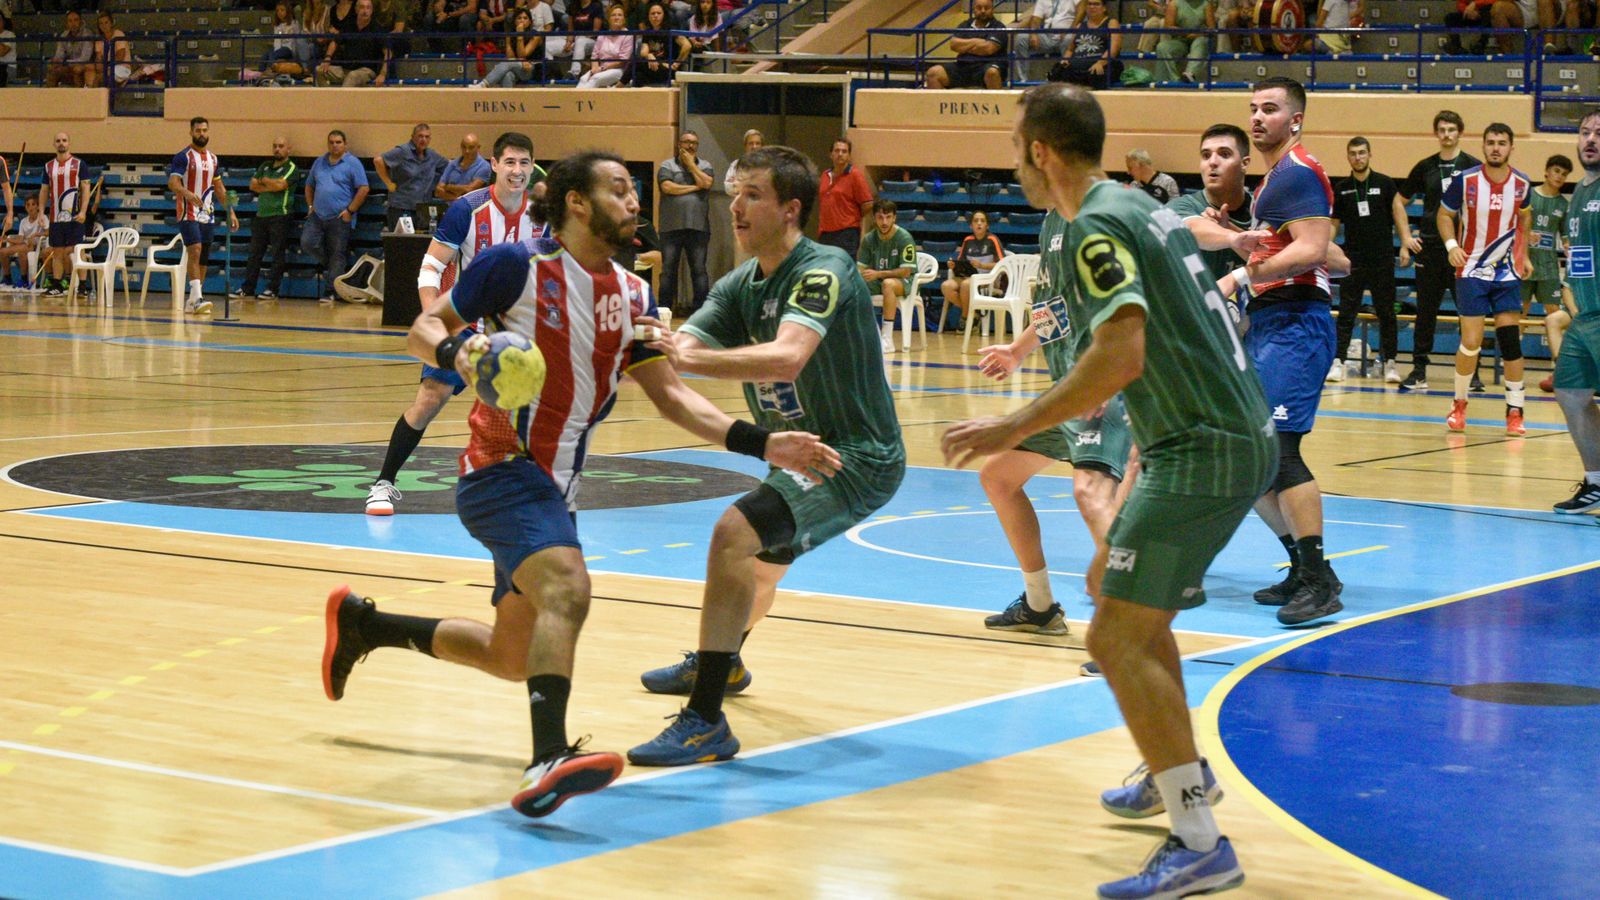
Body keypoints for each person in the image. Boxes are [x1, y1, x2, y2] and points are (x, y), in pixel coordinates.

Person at [322, 148, 834, 817]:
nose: (634, 201)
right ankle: (548, 759)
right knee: (569, 586)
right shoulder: (515, 266)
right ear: (576, 202)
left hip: (557, 490)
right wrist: (458, 353)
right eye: (619, 189)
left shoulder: (635, 296)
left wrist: (761, 442)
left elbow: (674, 399)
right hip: (500, 469)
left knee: (512, 656)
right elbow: (424, 327)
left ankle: (365, 626)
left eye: (634, 190)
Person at [942, 83, 1272, 900]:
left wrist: (1011, 425)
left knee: (1115, 637)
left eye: (1016, 146)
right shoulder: (1134, 205)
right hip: (1205, 435)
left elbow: (1121, 354)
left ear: (1040, 151)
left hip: (1203, 445)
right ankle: (1181, 777)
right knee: (1118, 600)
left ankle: (1199, 841)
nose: (1014, 162)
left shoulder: (1094, 222)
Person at [628, 146, 904, 762]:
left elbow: (788, 356)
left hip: (851, 457)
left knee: (733, 535)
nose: (736, 207)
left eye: (753, 195)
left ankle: (705, 720)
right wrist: (644, 342)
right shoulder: (738, 285)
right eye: (735, 194)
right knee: (758, 570)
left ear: (790, 209)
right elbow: (683, 347)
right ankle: (722, 663)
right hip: (793, 457)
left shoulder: (824, 267)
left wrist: (683, 355)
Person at [1213, 77, 1343, 626]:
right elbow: (1333, 256)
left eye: (1270, 108)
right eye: (1253, 108)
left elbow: (1313, 249)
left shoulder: (1296, 171)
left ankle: (1319, 582)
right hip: (1273, 323)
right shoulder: (1276, 182)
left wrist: (1241, 274)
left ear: (1295, 120)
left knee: (1281, 453)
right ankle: (1305, 567)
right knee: (1253, 458)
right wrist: (1249, 238)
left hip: (1295, 323)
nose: (1257, 117)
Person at [972, 205, 1134, 637]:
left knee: (1091, 494)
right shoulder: (1052, 221)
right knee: (998, 478)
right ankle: (1039, 605)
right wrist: (1017, 350)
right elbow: (1058, 307)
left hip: (1102, 388)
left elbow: (1129, 300)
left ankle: (1131, 631)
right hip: (1068, 394)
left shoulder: (1094, 213)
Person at [365, 131, 540, 516]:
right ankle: (383, 483)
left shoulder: (542, 214)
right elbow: (430, 268)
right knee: (429, 400)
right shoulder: (467, 209)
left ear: (532, 167)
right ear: (494, 165)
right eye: (510, 162)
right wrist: (434, 321)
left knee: (524, 411)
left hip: (515, 333)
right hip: (464, 326)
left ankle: (517, 490)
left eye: (524, 163)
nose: (517, 170)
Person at [1438, 123, 1534, 435]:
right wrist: (1452, 246)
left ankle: (1515, 411)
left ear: (1511, 147)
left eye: (1501, 143)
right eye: (1491, 142)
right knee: (1471, 342)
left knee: (1510, 342)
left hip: (1506, 272)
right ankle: (1459, 403)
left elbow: (1525, 216)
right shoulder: (1465, 180)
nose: (1496, 148)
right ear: (1483, 146)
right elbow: (1444, 215)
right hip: (1471, 270)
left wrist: (1524, 255)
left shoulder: (1522, 183)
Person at [1398, 110, 1482, 391]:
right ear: (1436, 133)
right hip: (1431, 249)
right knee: (1426, 312)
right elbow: (1399, 201)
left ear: (1460, 132)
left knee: (1468, 312)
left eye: (1451, 129)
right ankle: (1419, 371)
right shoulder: (1425, 167)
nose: (1447, 134)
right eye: (1442, 130)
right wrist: (1406, 237)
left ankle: (1473, 374)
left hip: (1463, 252)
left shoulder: (1473, 167)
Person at [1329, 135, 1410, 383]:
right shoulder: (1341, 188)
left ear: (1369, 154)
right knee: (1346, 313)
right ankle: (1338, 362)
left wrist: (1405, 243)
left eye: (1362, 152)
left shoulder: (1385, 183)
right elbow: (1333, 223)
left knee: (1387, 313)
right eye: (1353, 153)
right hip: (1352, 259)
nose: (1358, 157)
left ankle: (1390, 363)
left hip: (1382, 258)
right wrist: (1326, 249)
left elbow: (1398, 212)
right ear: (1348, 157)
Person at [1551, 109, 1600, 514]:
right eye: (1585, 132)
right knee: (1569, 392)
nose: (1591, 139)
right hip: (1585, 315)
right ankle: (1597, 482)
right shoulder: (1579, 193)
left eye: (1599, 133)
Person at [166, 117, 239, 316]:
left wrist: (230, 212)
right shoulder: (183, 157)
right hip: (188, 211)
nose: (201, 134)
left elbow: (220, 188)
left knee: (204, 257)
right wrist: (187, 193)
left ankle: (193, 299)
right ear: (191, 132)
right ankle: (197, 298)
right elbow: (173, 183)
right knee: (195, 250)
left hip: (207, 213)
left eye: (205, 130)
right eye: (198, 130)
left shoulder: (213, 159)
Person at [1168, 124, 1256, 284]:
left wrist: (1229, 229)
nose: (1213, 162)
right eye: (1206, 155)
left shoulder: (1262, 208)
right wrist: (1233, 237)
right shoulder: (1180, 207)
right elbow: (1192, 228)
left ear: (1244, 163)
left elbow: (1275, 264)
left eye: (1224, 154)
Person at [302, 130, 371, 302]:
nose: (335, 145)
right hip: (317, 215)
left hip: (340, 217)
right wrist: (310, 206)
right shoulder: (319, 162)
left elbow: (363, 188)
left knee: (337, 254)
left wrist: (350, 211)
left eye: (338, 142)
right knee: (307, 243)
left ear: (345, 144)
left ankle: (330, 291)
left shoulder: (353, 163)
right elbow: (309, 185)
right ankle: (334, 267)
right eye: (331, 142)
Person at [231, 136, 301, 301]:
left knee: (277, 254)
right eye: (275, 146)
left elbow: (280, 185)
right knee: (254, 254)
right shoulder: (265, 165)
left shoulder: (291, 168)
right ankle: (248, 288)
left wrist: (264, 182)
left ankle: (272, 289)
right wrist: (271, 184)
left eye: (281, 146)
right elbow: (253, 185)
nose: (277, 149)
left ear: (288, 149)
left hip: (280, 215)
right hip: (261, 215)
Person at [1526, 155, 1572, 393]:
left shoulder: (1563, 205)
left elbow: (1566, 236)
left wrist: (1569, 246)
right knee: (1519, 314)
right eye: (1556, 171)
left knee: (1555, 315)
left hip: (1548, 266)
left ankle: (1559, 368)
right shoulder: (1528, 195)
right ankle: (1510, 361)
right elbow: (1512, 225)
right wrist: (1525, 235)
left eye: (1564, 174)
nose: (1559, 176)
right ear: (1546, 171)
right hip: (1524, 264)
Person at [657, 130, 716, 314]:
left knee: (699, 270)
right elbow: (667, 187)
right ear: (679, 144)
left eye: (694, 143)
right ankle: (664, 310)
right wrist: (695, 187)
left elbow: (707, 183)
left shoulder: (705, 165)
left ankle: (700, 312)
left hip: (698, 227)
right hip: (670, 227)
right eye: (686, 142)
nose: (690, 146)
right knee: (668, 271)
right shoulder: (667, 165)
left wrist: (691, 165)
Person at [857, 198, 917, 353]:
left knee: (888, 284)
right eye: (880, 217)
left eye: (888, 217)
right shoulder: (869, 239)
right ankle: (861, 334)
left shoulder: (904, 238)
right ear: (874, 218)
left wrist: (878, 273)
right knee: (855, 285)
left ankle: (887, 338)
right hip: (878, 280)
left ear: (894, 218)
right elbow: (860, 268)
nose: (884, 222)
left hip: (904, 281)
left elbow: (906, 271)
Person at [39, 132, 90, 298]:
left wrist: (83, 211)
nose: (61, 143)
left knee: (78, 250)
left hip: (75, 217)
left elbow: (86, 189)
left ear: (69, 143)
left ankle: (83, 286)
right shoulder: (48, 166)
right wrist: (41, 212)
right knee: (57, 252)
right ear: (54, 144)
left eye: (64, 140)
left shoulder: (79, 164)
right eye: (58, 141)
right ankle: (57, 285)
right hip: (55, 217)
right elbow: (44, 190)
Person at [940, 210, 1005, 330]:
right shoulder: (967, 240)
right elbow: (961, 261)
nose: (979, 223)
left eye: (982, 221)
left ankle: (964, 318)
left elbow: (1002, 263)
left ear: (987, 225)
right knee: (946, 286)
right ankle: (974, 314)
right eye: (976, 221)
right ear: (971, 225)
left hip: (987, 278)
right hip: (968, 276)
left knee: (966, 285)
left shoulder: (992, 239)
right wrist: (953, 265)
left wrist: (982, 265)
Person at [375, 124, 447, 232]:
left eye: (427, 137)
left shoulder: (432, 155)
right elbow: (378, 161)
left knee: (421, 241)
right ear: (413, 137)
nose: (423, 139)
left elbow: (449, 167)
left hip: (422, 209)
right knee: (401, 241)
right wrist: (388, 183)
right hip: (401, 208)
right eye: (420, 136)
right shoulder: (403, 151)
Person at [923, 0, 1007, 91]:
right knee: (933, 73)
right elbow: (954, 45)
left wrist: (965, 46)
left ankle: (997, 100)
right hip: (962, 66)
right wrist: (976, 41)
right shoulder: (965, 24)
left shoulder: (999, 26)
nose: (983, 11)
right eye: (979, 8)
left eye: (986, 8)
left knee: (992, 73)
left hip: (986, 66)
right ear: (974, 9)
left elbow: (988, 49)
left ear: (992, 9)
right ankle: (938, 101)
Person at [816, 138, 874, 260]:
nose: (840, 154)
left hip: (846, 233)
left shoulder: (855, 175)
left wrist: (851, 217)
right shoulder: (825, 175)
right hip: (825, 233)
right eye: (837, 151)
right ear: (831, 154)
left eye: (844, 151)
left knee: (844, 266)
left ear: (849, 155)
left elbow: (868, 203)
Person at [318, 0, 390, 86]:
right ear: (356, 9)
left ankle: (341, 95)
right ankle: (329, 94)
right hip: (346, 69)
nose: (365, 11)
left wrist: (382, 74)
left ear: (371, 11)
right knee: (319, 70)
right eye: (362, 7)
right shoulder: (349, 24)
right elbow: (335, 42)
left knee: (352, 76)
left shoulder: (377, 29)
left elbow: (388, 52)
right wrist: (327, 58)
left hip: (366, 70)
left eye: (368, 8)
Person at [1055, 0, 1122, 90]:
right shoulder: (1079, 26)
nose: (1092, 7)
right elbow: (1070, 49)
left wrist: (1101, 63)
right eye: (1089, 4)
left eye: (1096, 4)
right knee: (1057, 72)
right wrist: (1065, 60)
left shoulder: (1111, 23)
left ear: (1104, 8)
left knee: (1096, 74)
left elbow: (1114, 48)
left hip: (1100, 64)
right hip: (1077, 66)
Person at [476, 7, 546, 87]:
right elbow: (510, 57)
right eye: (519, 18)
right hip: (516, 66)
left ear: (530, 22)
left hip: (531, 68)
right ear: (515, 21)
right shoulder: (511, 34)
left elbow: (522, 55)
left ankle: (484, 84)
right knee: (507, 75)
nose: (522, 20)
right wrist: (509, 40)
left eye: (525, 18)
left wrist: (520, 36)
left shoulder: (535, 36)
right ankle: (506, 95)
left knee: (508, 63)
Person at [1012, 0, 1077, 84]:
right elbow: (1036, 18)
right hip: (1047, 36)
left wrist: (1070, 30)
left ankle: (1066, 79)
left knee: (1069, 38)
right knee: (1021, 38)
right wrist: (1033, 33)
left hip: (1065, 35)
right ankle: (1023, 79)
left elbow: (1081, 14)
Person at [575, 3, 634, 89]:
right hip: (600, 68)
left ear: (624, 19)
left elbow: (622, 61)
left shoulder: (628, 35)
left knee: (596, 78)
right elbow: (594, 55)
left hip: (618, 70)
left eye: (619, 15)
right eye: (613, 15)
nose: (616, 17)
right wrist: (594, 68)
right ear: (609, 19)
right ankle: (574, 98)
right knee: (583, 78)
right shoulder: (603, 34)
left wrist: (602, 68)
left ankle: (582, 97)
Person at [1155, 0, 1213, 84]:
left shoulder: (1206, 4)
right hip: (1180, 39)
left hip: (1199, 38)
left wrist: (1197, 34)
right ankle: (1173, 81)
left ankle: (1190, 74)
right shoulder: (1174, 3)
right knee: (1162, 47)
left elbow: (1211, 28)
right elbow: (1168, 26)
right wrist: (1185, 33)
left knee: (1201, 42)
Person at [632, 2, 688, 86]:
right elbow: (643, 52)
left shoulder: (671, 31)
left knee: (635, 63)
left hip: (667, 68)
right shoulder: (648, 32)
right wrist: (649, 55)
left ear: (664, 15)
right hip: (653, 66)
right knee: (638, 76)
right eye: (653, 13)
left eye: (659, 13)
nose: (655, 16)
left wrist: (676, 64)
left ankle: (618, 86)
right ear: (648, 16)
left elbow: (687, 46)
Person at [547, 0, 606, 79]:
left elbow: (595, 32)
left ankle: (574, 73)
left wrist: (577, 39)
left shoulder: (596, 6)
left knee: (580, 41)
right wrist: (569, 42)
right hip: (575, 41)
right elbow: (570, 30)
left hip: (592, 42)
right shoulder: (573, 6)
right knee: (547, 45)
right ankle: (552, 73)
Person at [0, 196, 47, 291]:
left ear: (38, 206)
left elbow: (48, 232)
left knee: (25, 247)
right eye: (28, 205)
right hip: (25, 245)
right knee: (2, 252)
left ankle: (24, 279)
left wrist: (36, 234)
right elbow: (21, 239)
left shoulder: (43, 218)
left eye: (33, 204)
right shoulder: (23, 221)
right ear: (25, 207)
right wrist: (7, 239)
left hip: (38, 247)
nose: (30, 207)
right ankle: (7, 277)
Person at [433, 133, 494, 202]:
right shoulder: (453, 163)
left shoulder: (484, 166)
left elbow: (469, 190)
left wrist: (448, 187)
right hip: (447, 205)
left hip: (470, 207)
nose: (467, 151)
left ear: (478, 148)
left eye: (471, 147)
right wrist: (457, 198)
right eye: (464, 147)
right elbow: (438, 190)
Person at [44, 10, 92, 87]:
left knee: (77, 70)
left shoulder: (87, 34)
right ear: (67, 24)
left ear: (81, 22)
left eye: (76, 20)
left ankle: (78, 94)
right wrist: (56, 61)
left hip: (84, 67)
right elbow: (59, 55)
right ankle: (50, 94)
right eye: (70, 21)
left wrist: (66, 62)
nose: (73, 24)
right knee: (52, 69)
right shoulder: (64, 35)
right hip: (69, 66)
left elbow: (84, 59)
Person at [85, 10, 131, 88]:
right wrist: (100, 66)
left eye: (106, 22)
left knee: (100, 78)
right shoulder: (99, 39)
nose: (104, 26)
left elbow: (120, 56)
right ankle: (87, 91)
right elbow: (98, 58)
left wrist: (106, 66)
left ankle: (103, 95)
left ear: (111, 23)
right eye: (101, 23)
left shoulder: (119, 34)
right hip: (107, 67)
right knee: (89, 69)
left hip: (122, 67)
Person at [724, 129, 763, 195]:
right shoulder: (736, 164)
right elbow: (728, 187)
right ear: (745, 146)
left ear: (762, 146)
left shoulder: (768, 165)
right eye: (751, 143)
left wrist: (740, 183)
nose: (754, 146)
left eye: (757, 143)